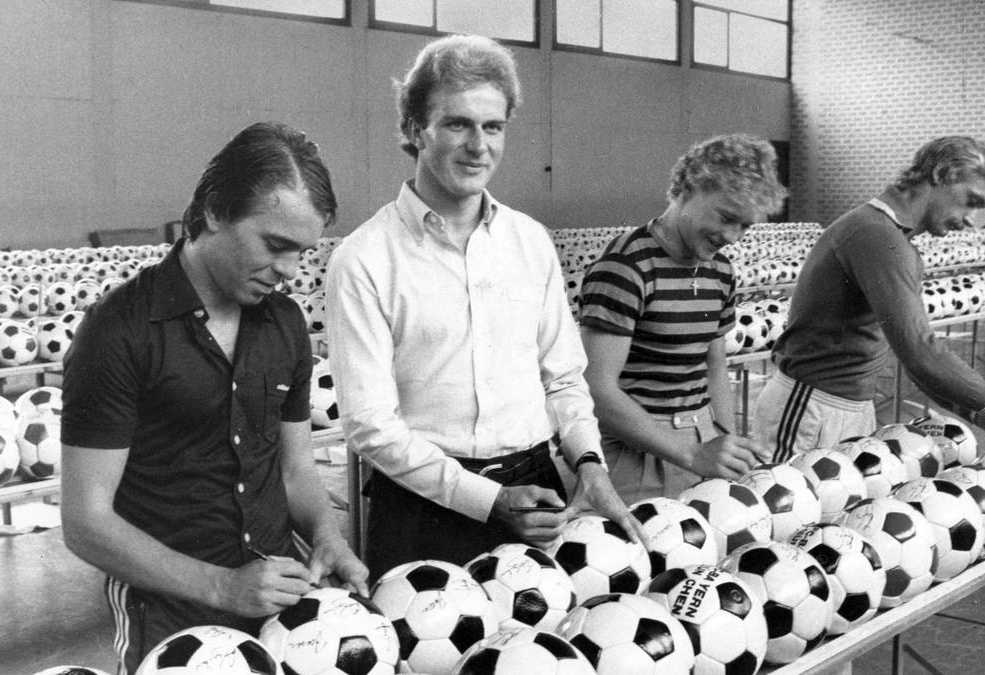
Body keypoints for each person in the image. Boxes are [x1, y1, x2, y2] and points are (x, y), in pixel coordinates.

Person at [324, 34, 645, 581]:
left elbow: (564, 378)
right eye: (457, 124)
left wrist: (589, 464)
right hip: (423, 506)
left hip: (541, 489)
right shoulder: (363, 259)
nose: (479, 145)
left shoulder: (530, 242)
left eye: (492, 127)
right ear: (412, 130)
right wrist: (487, 498)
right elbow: (370, 425)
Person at [60, 122, 367, 673]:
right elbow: (86, 522)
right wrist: (224, 588)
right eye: (275, 246)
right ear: (214, 212)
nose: (290, 272)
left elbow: (295, 471)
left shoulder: (286, 324)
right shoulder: (118, 331)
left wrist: (326, 537)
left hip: (284, 598)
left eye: (303, 252)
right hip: (172, 612)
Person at [754, 136, 985, 461]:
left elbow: (908, 356)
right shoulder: (876, 234)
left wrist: (979, 415)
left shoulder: (891, 238)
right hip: (810, 408)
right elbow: (920, 352)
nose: (971, 218)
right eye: (970, 201)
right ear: (941, 174)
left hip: (844, 406)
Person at [578, 134, 785, 502]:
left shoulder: (719, 270)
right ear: (688, 189)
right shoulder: (626, 267)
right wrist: (692, 454)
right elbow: (596, 389)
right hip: (634, 446)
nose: (732, 237)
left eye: (745, 226)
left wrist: (724, 438)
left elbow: (714, 363)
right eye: (726, 218)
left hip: (701, 433)